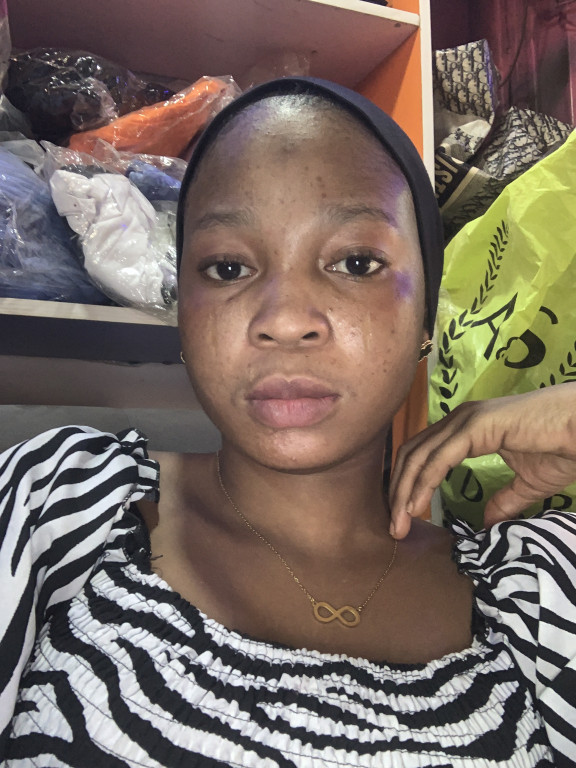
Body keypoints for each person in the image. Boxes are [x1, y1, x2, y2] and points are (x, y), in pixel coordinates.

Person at [1, 77, 575, 767]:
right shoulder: (59, 503)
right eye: (228, 267)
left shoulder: (534, 599)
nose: (283, 320)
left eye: (356, 262)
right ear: (184, 314)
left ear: (426, 315)